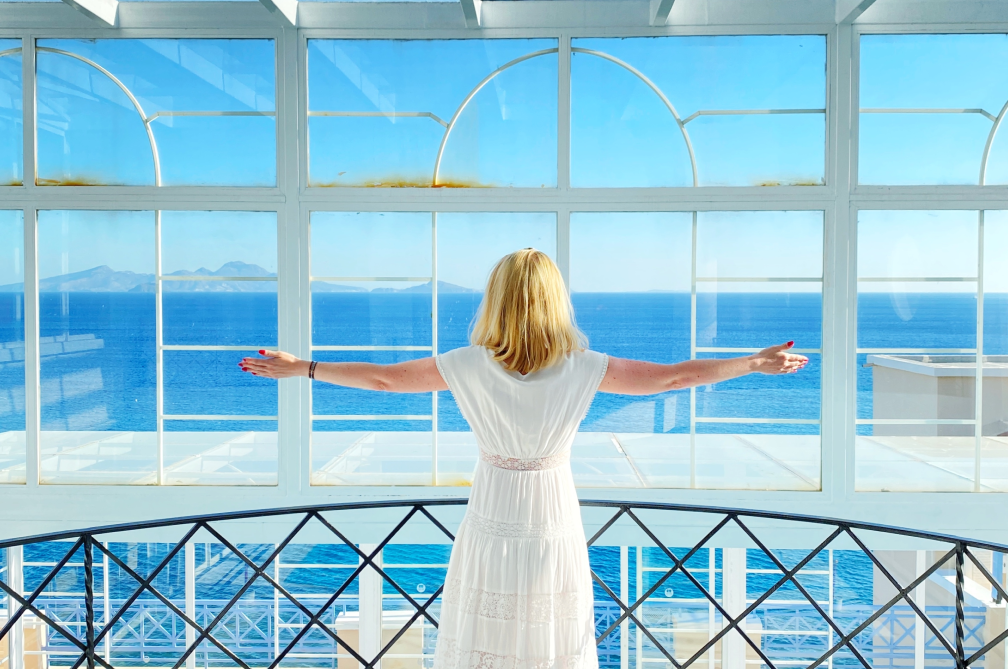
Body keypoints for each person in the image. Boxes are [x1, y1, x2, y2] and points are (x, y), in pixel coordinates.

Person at [239, 248, 807, 669]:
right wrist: (752, 363)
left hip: (493, 506)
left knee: (486, 626)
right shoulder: (585, 366)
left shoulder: (466, 363)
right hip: (551, 511)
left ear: (497, 299)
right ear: (555, 300)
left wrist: (302, 368)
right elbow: (675, 377)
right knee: (552, 633)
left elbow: (385, 380)